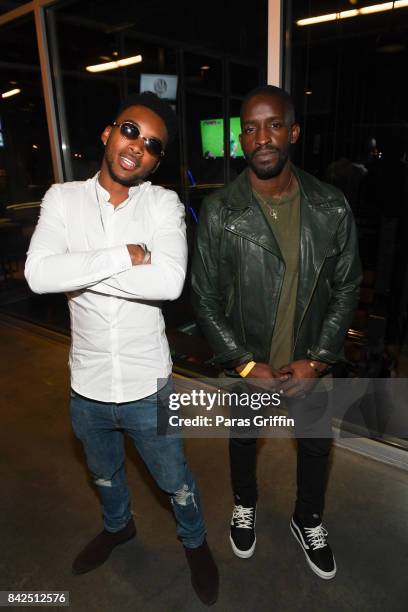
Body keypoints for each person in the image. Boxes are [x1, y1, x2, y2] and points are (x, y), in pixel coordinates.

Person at [25, 92, 218, 606]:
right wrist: (126, 257)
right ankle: (119, 528)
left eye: (153, 145)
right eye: (131, 131)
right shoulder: (62, 199)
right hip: (85, 385)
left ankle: (195, 542)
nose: (139, 147)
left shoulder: (163, 203)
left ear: (157, 160)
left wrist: (81, 268)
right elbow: (38, 274)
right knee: (104, 475)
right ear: (108, 133)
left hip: (145, 382)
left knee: (176, 480)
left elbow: (171, 283)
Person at [191, 85, 362, 580]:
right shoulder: (222, 211)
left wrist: (321, 358)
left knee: (315, 445)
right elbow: (202, 298)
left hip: (310, 363)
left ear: (293, 131)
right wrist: (244, 364)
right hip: (250, 366)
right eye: (250, 127)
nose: (261, 137)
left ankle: (307, 518)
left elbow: (347, 286)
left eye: (272, 125)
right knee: (243, 439)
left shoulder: (331, 206)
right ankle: (244, 503)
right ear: (240, 138)